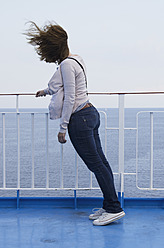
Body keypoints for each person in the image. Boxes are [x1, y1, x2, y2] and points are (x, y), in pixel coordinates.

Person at [25, 21, 125, 226]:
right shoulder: (75, 60)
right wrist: (44, 91)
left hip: (80, 118)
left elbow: (70, 96)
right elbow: (64, 86)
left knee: (97, 165)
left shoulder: (66, 64)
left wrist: (63, 128)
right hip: (89, 113)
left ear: (51, 48)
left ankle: (114, 208)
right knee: (101, 163)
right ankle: (110, 205)